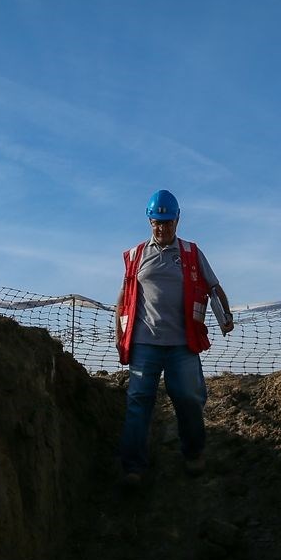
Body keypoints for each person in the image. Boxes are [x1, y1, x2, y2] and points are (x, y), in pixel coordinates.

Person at [115, 189, 234, 486]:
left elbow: (214, 287)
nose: (162, 227)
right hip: (145, 342)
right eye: (157, 222)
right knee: (138, 400)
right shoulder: (136, 256)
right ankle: (133, 467)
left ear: (177, 220)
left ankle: (193, 453)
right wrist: (119, 333)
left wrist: (226, 316)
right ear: (149, 221)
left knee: (190, 398)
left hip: (182, 343)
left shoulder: (191, 254)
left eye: (167, 222)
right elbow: (124, 297)